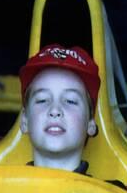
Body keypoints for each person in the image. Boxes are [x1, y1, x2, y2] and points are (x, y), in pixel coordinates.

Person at [19, 44, 99, 173]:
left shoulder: (117, 192)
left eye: (71, 101)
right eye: (42, 100)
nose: (55, 110)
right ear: (24, 120)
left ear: (91, 123)